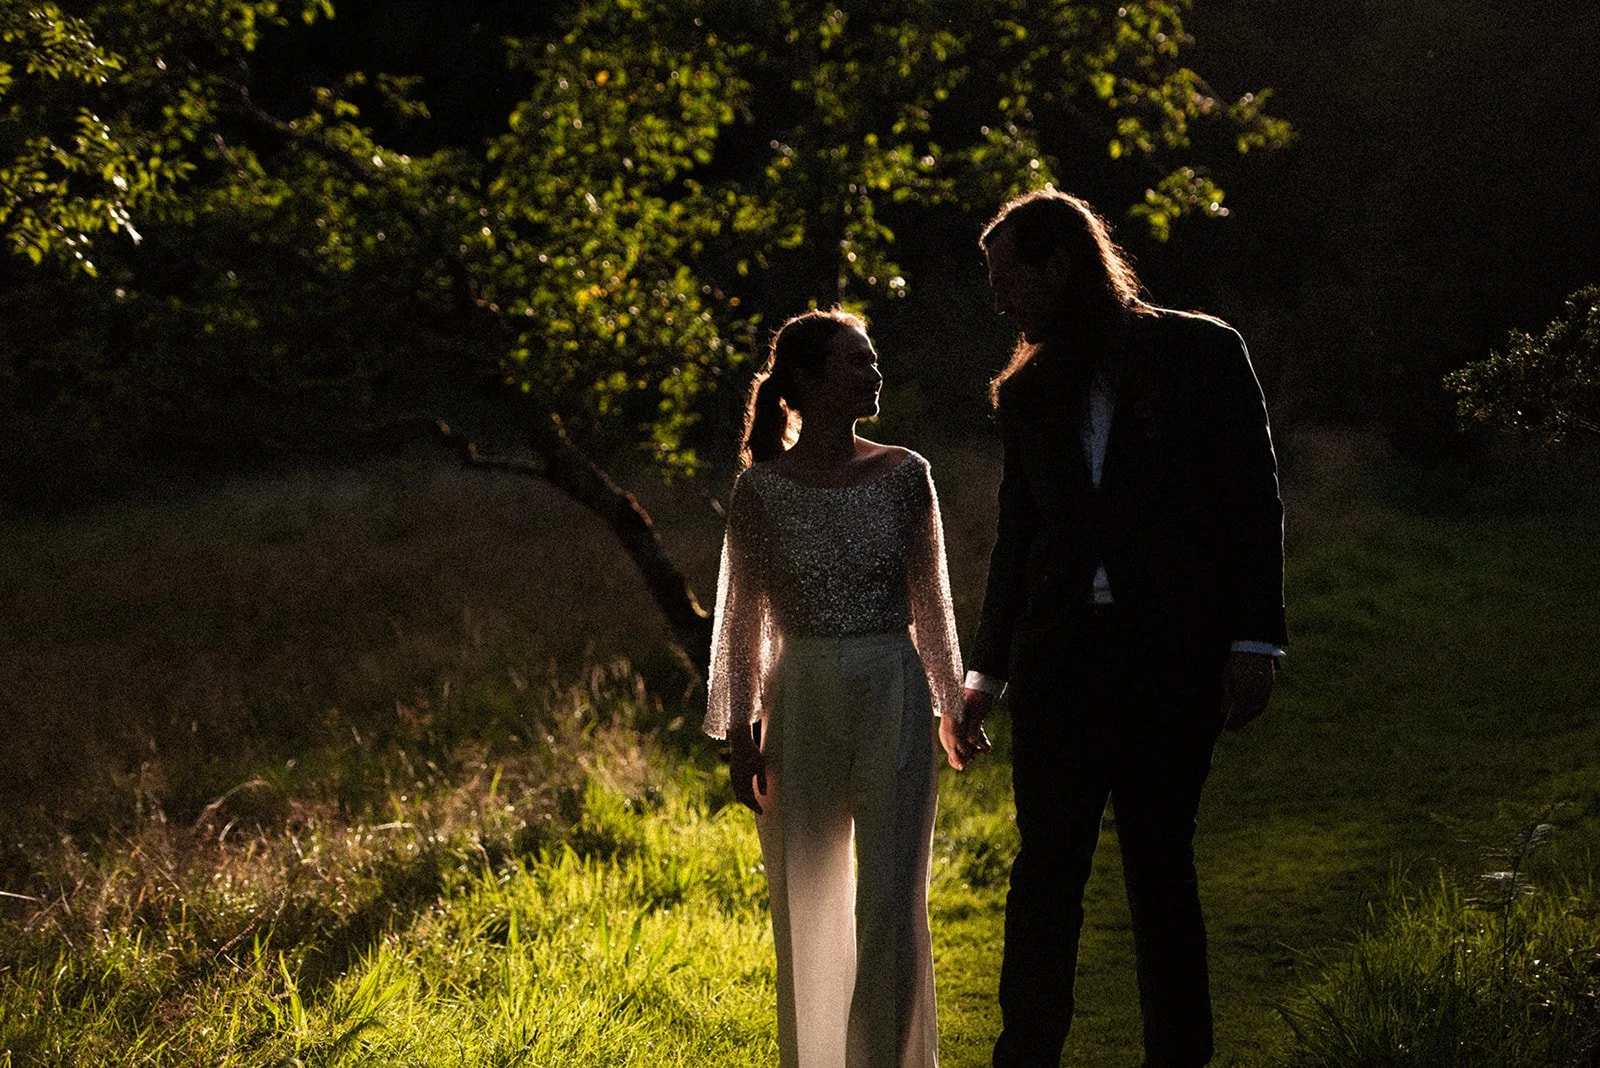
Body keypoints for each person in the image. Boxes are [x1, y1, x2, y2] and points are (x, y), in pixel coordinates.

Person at [949, 190, 1287, 1068]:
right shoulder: (1025, 390)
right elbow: (1019, 536)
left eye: (1006, 277)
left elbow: (1253, 502)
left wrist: (1256, 641)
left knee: (1160, 872)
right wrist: (983, 674)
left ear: (1058, 264)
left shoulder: (1205, 352)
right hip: (1058, 666)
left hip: (1172, 664)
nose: (998, 301)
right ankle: (1025, 1056)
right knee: (1044, 877)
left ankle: (1180, 1057)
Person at [703, 309, 966, 1068]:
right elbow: (742, 623)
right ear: (810, 382)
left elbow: (933, 604)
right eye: (858, 362)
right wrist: (743, 737)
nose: (875, 372)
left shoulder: (906, 474)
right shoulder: (761, 491)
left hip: (893, 685)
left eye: (874, 360)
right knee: (808, 897)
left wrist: (953, 703)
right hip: (802, 694)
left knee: (890, 901)